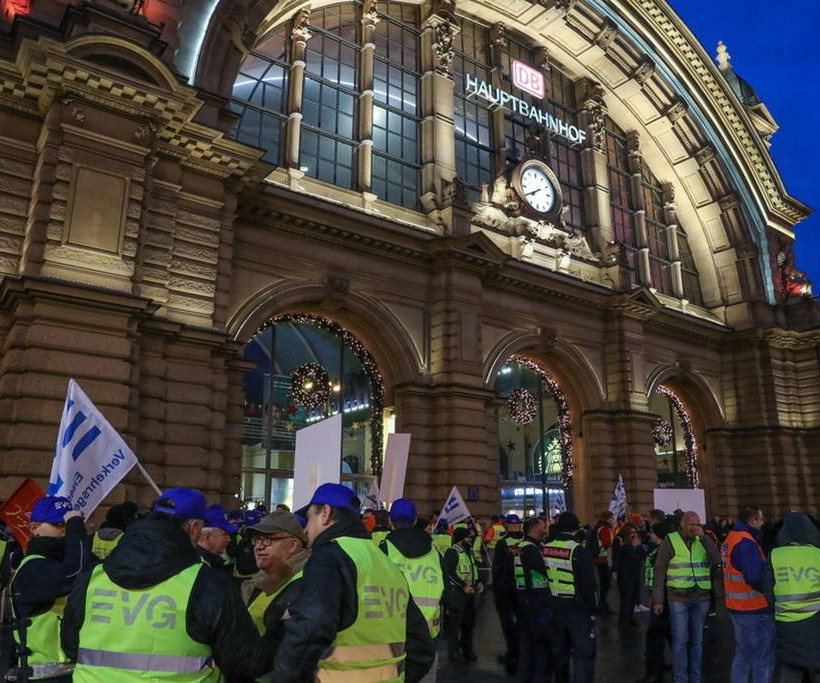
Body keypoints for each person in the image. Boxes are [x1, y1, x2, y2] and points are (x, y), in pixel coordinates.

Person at [62, 487, 270, 681]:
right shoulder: (207, 583)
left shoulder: (93, 577)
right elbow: (245, 662)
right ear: (194, 527)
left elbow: (70, 645)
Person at [271, 482, 435, 682]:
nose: (305, 530)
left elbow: (311, 628)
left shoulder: (329, 558)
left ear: (325, 512)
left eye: (309, 518)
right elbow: (422, 650)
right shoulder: (387, 565)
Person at [9, 496, 90, 682]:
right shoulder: (32, 568)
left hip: (72, 672)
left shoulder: (61, 562)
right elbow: (74, 572)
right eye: (58, 523)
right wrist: (77, 525)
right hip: (42, 676)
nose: (65, 530)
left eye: (67, 524)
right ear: (34, 528)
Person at [652, 510, 721, 683]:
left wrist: (704, 538)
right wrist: (658, 599)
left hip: (701, 597)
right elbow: (660, 570)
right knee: (680, 641)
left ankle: (696, 678)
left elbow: (717, 559)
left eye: (698, 524)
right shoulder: (670, 540)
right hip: (678, 598)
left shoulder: (704, 539)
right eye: (692, 524)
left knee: (696, 641)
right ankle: (681, 678)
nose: (696, 528)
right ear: (682, 524)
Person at [381, 498, 444, 683]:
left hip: (393, 639)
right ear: (415, 521)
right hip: (428, 640)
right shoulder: (435, 554)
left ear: (390, 522)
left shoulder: (382, 551)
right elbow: (448, 595)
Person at [761, 511, 820, 683]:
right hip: (817, 622)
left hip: (787, 622)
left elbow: (767, 589)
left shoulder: (775, 555)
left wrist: (780, 607)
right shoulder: (817, 553)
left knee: (790, 669)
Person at [242, 511, 309, 653]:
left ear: (293, 545)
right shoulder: (263, 580)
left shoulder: (304, 582)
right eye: (257, 539)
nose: (259, 547)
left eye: (268, 539)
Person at [722, 504, 774, 683]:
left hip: (737, 606)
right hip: (754, 608)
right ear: (753, 521)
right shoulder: (746, 542)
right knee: (762, 658)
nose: (763, 522)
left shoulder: (732, 538)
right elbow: (755, 577)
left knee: (744, 656)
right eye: (761, 519)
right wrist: (771, 592)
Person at [544, 511, 597, 683]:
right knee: (583, 653)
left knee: (560, 652)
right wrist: (592, 609)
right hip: (576, 608)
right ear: (575, 529)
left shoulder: (547, 548)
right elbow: (589, 584)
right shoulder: (577, 550)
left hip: (554, 605)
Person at [515, 517, 552, 682]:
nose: (545, 530)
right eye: (543, 527)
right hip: (535, 598)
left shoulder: (522, 546)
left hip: (525, 597)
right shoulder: (530, 549)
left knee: (526, 639)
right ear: (535, 529)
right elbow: (544, 570)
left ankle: (525, 674)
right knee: (537, 640)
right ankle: (537, 675)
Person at [640, 519, 673, 683]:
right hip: (662, 598)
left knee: (655, 636)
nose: (650, 534)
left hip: (661, 600)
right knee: (666, 635)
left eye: (652, 532)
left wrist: (655, 597)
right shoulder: (660, 549)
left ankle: (654, 673)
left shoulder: (661, 551)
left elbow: (658, 576)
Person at [443, 526, 483, 664]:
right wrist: (462, 585)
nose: (470, 539)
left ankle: (467, 650)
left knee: (469, 625)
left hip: (470, 594)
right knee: (455, 626)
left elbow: (473, 569)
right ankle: (454, 652)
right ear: (461, 538)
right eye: (467, 537)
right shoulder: (453, 552)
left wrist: (478, 582)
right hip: (457, 594)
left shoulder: (468, 552)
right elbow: (449, 573)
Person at [491, 513, 524, 674]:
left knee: (508, 622)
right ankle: (521, 651)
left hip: (506, 587)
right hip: (523, 587)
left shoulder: (503, 543)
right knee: (522, 621)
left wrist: (495, 586)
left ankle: (513, 652)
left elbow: (497, 567)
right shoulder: (525, 541)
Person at [612, 522, 645, 628]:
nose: (634, 534)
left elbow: (642, 556)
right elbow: (620, 556)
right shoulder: (621, 542)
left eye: (635, 532)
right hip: (625, 574)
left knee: (632, 598)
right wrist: (614, 571)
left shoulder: (636, 543)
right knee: (626, 598)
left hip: (635, 572)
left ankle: (630, 619)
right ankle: (624, 621)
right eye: (631, 532)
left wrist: (638, 546)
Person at [196, 504, 238, 574]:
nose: (229, 539)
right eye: (224, 534)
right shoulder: (197, 567)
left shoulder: (213, 563)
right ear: (207, 537)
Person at [592, 510, 616, 615]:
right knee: (605, 585)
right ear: (608, 518)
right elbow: (607, 543)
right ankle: (603, 608)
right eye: (612, 518)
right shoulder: (605, 529)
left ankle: (604, 606)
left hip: (599, 559)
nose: (613, 520)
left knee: (603, 585)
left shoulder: (599, 527)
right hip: (604, 559)